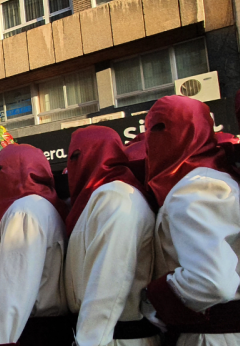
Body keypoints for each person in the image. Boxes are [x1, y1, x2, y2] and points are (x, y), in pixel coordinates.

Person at [142, 96, 240, 345]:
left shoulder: (196, 188)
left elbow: (211, 282)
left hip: (210, 335)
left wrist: (153, 299)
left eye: (159, 128)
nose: (152, 140)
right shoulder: (225, 178)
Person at [64, 126, 160, 346]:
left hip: (112, 338)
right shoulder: (102, 198)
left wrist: (89, 341)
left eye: (77, 157)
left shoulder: (115, 196)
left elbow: (109, 279)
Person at [0, 144, 71, 346]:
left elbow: (10, 297)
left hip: (30, 333)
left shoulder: (24, 212)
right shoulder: (48, 207)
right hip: (53, 331)